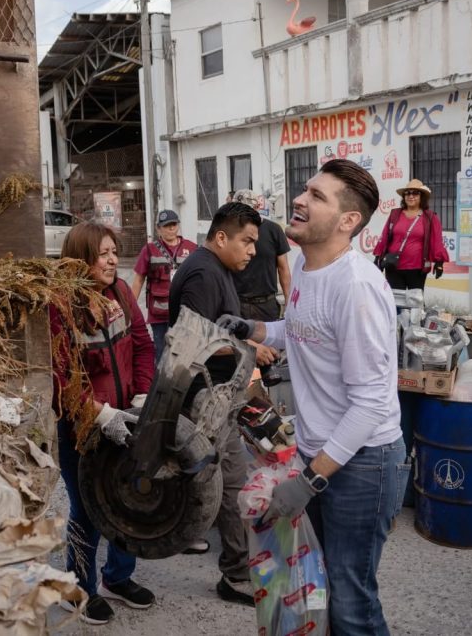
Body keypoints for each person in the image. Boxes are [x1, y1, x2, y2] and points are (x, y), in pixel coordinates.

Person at [218, 158, 407, 635]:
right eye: (306, 189)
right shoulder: (305, 263)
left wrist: (309, 480)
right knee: (321, 588)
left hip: (363, 464)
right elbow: (301, 329)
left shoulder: (357, 288)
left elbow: (370, 404)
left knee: (350, 602)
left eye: (317, 196)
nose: (300, 199)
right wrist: (251, 328)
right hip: (320, 452)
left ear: (348, 221)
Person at [48, 222, 156, 625]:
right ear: (80, 259)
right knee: (88, 509)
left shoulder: (122, 293)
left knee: (128, 499)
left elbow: (143, 345)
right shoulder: (59, 306)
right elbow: (59, 378)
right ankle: (78, 589)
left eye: (114, 252)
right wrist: (99, 413)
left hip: (126, 417)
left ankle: (117, 577)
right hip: (82, 428)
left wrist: (141, 395)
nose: (113, 261)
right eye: (103, 254)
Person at [167, 201, 263, 606]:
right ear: (221, 237)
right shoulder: (204, 273)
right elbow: (194, 341)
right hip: (205, 398)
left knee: (222, 478)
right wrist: (250, 348)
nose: (252, 251)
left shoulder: (216, 267)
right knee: (231, 481)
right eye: (247, 241)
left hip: (218, 394)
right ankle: (236, 575)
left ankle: (233, 562)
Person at [131, 209, 197, 361]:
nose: (171, 228)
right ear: (158, 229)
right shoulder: (149, 250)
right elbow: (138, 280)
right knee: (161, 354)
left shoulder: (192, 248)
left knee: (183, 354)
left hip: (184, 313)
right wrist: (130, 309)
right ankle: (160, 377)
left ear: (178, 226)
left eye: (174, 224)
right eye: (166, 225)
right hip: (158, 315)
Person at [371, 178, 449, 290]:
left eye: (415, 193)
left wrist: (439, 263)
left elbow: (437, 241)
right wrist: (378, 257)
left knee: (414, 299)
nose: (410, 196)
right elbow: (385, 236)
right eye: (407, 193)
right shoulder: (395, 214)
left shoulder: (430, 217)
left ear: (422, 196)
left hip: (417, 268)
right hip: (393, 266)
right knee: (396, 298)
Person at [231, 189, 292, 321]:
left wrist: (289, 301)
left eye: (247, 210)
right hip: (237, 304)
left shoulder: (273, 230)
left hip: (266, 306)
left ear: (257, 207)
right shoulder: (230, 230)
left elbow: (283, 269)